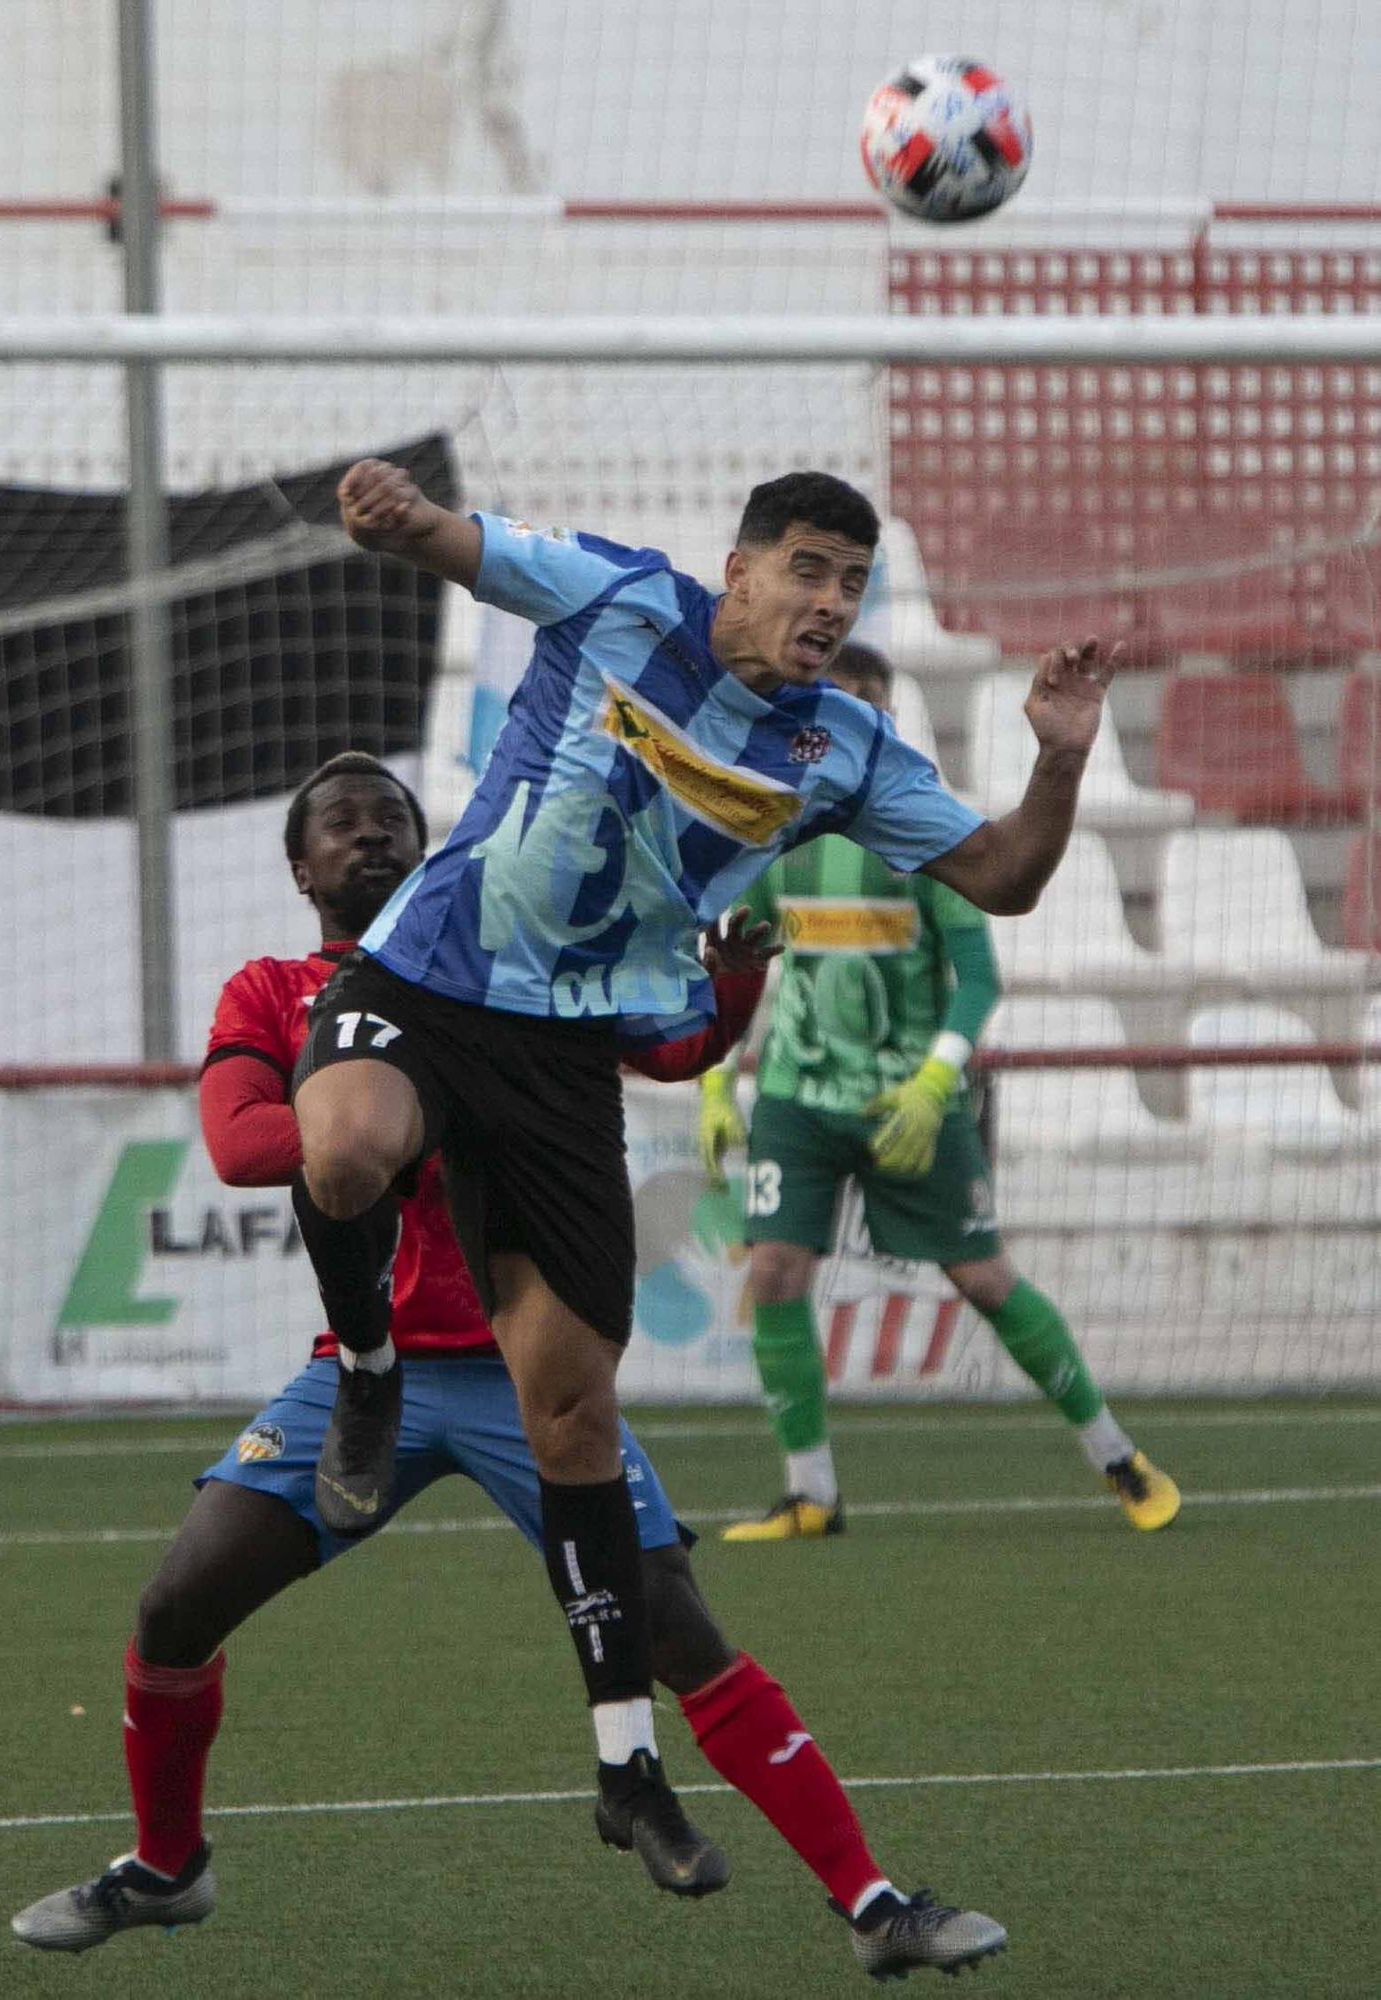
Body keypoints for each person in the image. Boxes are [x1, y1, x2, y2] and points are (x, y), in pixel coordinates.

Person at [10, 754, 1006, 1981]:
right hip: (360, 1370)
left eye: (393, 818)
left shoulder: (512, 980)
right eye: (341, 821)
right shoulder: (272, 990)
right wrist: (412, 1116)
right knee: (174, 1605)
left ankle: (878, 1903)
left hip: (527, 1375)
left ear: (436, 856)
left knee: (680, 1630)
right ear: (299, 867)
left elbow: (680, 1043)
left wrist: (736, 973)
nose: (371, 833)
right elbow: (236, 1143)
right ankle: (168, 1866)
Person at [290, 458, 1117, 1883]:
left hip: (565, 1064)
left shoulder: (839, 750)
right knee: (350, 1151)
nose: (826, 602)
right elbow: (458, 543)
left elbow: (1001, 878)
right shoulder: (618, 598)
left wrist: (1055, 754)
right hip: (430, 981)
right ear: (736, 571)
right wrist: (392, 516)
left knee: (574, 1427)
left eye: (849, 582)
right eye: (804, 569)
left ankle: (625, 1767)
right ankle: (366, 1375)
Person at [697, 643, 1180, 1540]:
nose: (851, 722)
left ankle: (1117, 1455)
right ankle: (811, 1494)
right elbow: (732, 964)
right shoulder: (771, 834)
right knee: (771, 1272)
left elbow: (978, 980)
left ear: (885, 718)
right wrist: (716, 1081)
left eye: (870, 706)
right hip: (798, 1096)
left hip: (906, 1102)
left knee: (983, 1276)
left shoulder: (921, 831)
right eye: (836, 705)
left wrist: (931, 1080)